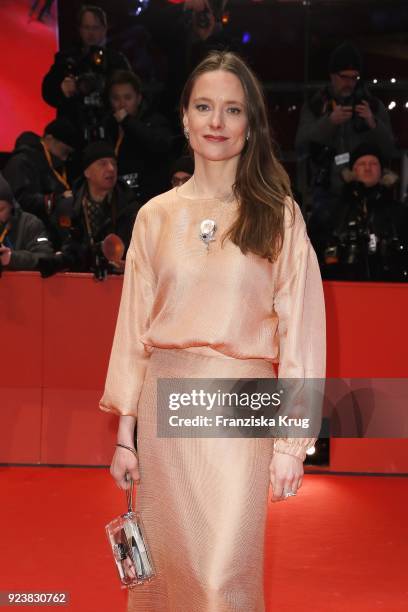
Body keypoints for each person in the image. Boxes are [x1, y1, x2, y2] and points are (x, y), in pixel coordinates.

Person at [99, 50, 326, 611]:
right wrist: (125, 434)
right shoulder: (155, 216)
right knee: (167, 571)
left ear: (250, 125)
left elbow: (301, 329)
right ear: (184, 117)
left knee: (223, 572)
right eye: (204, 107)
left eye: (232, 110)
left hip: (240, 403)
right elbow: (134, 330)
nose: (216, 122)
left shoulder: (277, 213)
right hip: (162, 408)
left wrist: (291, 444)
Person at [295, 41, 395, 211]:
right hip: (325, 194)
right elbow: (301, 145)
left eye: (354, 77)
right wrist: (329, 122)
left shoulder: (372, 106)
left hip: (366, 192)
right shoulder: (316, 105)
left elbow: (389, 149)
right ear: (332, 76)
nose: (349, 82)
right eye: (344, 77)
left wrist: (373, 123)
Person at [39, 141, 141, 278]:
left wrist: (130, 265)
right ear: (87, 172)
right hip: (74, 284)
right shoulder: (67, 207)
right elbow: (51, 242)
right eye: (103, 163)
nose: (111, 168)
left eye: (114, 163)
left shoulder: (131, 209)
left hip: (117, 285)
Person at [316, 143, 408, 281]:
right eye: (362, 163)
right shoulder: (333, 212)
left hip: (389, 289)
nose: (367, 168)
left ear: (382, 171)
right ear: (352, 171)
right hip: (342, 288)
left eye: (373, 163)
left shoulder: (399, 213)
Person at [41, 4, 130, 142]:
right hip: (73, 132)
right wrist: (62, 89)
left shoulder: (116, 61)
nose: (91, 33)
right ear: (80, 29)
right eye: (86, 27)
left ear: (104, 29)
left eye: (95, 28)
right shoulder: (66, 59)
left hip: (109, 132)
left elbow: (133, 92)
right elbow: (47, 92)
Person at [104, 70, 174, 202]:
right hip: (118, 197)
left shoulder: (154, 121)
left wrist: (127, 122)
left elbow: (160, 145)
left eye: (127, 98)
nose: (122, 104)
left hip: (150, 197)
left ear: (139, 98)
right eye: (116, 98)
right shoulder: (107, 125)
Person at [2, 119, 78, 237]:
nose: (64, 159)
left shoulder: (48, 164)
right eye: (64, 151)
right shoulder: (21, 161)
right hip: (23, 237)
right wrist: (58, 199)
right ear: (49, 139)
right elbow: (19, 202)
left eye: (68, 155)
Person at [0, 174, 54, 272]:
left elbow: (46, 257)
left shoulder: (30, 224)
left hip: (25, 285)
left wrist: (11, 258)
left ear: (11, 206)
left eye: (0, 210)